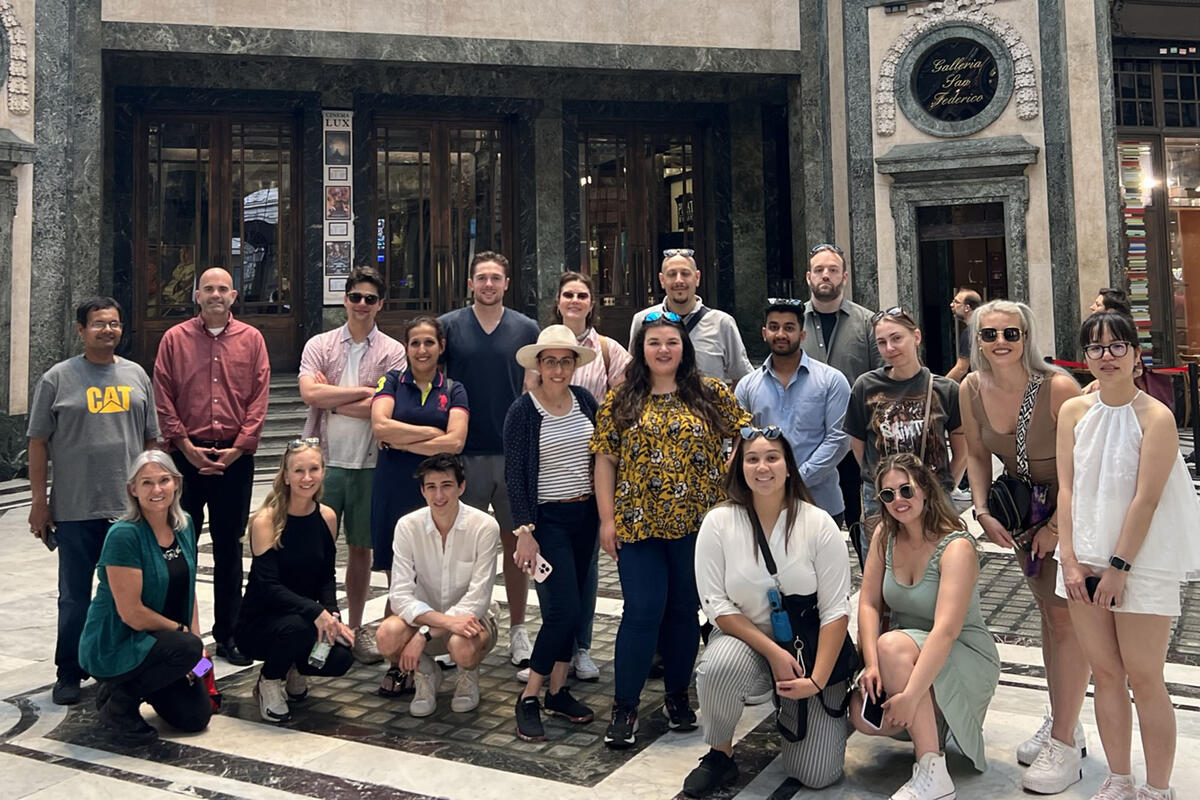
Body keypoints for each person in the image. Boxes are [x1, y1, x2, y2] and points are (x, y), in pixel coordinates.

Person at [1055, 311, 1200, 800]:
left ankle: (1157, 788)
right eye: (1096, 348)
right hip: (1083, 559)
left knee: (1145, 675)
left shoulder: (1155, 416)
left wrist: (1119, 569)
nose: (1107, 356)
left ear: (1137, 356)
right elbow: (1068, 490)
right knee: (1106, 673)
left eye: (1118, 346)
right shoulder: (1074, 412)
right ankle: (1118, 778)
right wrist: (1071, 559)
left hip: (1141, 561)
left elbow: (1147, 499)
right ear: (1085, 358)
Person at [591, 311, 751, 748]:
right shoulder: (622, 398)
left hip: (697, 526)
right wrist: (607, 519)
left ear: (685, 349)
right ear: (641, 350)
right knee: (642, 611)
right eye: (654, 342)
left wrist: (727, 478)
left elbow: (745, 435)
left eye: (672, 342)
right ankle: (625, 706)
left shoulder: (709, 392)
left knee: (684, 611)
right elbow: (604, 460)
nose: (663, 349)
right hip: (638, 524)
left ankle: (678, 697)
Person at [960, 299, 1088, 793]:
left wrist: (1057, 526)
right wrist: (983, 509)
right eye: (989, 335)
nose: (1000, 344)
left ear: (1026, 337)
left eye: (1010, 334)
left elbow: (1085, 467)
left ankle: (1065, 741)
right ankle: (1065, 719)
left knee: (1066, 620)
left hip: (1069, 511)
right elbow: (974, 450)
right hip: (1021, 511)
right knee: (1049, 616)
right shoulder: (972, 388)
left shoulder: (1057, 387)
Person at [686, 427, 852, 796]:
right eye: (752, 459)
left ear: (789, 466)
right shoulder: (719, 522)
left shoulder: (817, 524)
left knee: (817, 774)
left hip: (808, 649)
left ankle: (796, 710)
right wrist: (773, 652)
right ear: (740, 467)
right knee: (719, 666)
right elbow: (716, 604)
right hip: (745, 641)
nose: (763, 467)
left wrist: (817, 681)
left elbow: (836, 610)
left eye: (772, 457)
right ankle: (720, 753)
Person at [27, 297, 161, 705]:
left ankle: (119, 665)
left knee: (130, 594)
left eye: (115, 324)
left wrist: (155, 495)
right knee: (74, 596)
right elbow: (37, 443)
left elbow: (150, 440)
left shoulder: (137, 375)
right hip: (76, 508)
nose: (109, 330)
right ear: (81, 330)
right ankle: (69, 670)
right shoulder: (57, 379)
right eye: (99, 324)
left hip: (128, 511)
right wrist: (38, 502)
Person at [850, 453, 1000, 800]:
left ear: (926, 491)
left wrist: (910, 695)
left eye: (906, 490)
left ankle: (932, 769)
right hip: (906, 655)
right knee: (862, 715)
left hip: (963, 652)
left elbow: (946, 631)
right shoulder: (884, 538)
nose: (898, 500)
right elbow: (869, 602)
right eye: (888, 495)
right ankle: (933, 723)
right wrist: (871, 664)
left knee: (892, 646)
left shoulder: (956, 546)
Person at [153, 267, 270, 667]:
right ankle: (179, 634)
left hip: (235, 461)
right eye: (209, 289)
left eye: (223, 289)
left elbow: (259, 396)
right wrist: (185, 445)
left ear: (234, 296)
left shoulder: (252, 339)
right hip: (185, 460)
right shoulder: (174, 339)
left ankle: (229, 635)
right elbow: (163, 395)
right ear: (197, 295)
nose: (216, 294)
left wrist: (239, 448)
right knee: (177, 548)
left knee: (228, 549)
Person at [298, 267, 406, 663]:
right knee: (315, 550)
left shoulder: (393, 352)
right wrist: (363, 392)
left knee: (361, 550)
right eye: (355, 297)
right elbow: (309, 392)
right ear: (345, 299)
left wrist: (334, 397)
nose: (362, 305)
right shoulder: (320, 344)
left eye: (370, 299)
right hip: (322, 462)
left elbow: (386, 408)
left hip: (370, 462)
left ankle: (356, 628)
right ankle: (317, 626)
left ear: (380, 304)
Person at [438, 251, 539, 671]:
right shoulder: (449, 327)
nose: (489, 285)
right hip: (466, 455)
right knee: (463, 549)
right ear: (470, 284)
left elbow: (532, 385)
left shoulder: (525, 328)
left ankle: (518, 628)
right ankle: (458, 628)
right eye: (481, 278)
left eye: (496, 278)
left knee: (517, 546)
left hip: (511, 453)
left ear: (507, 283)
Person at [504, 325, 601, 741]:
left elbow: (602, 458)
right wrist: (525, 531)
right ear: (538, 366)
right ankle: (529, 696)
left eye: (566, 361)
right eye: (550, 361)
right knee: (561, 611)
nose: (558, 369)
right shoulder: (523, 412)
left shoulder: (585, 401)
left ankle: (558, 693)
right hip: (547, 522)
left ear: (574, 365)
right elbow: (515, 477)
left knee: (576, 609)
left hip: (586, 517)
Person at [78, 450, 212, 743]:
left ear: (176, 483)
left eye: (164, 480)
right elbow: (131, 613)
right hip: (118, 642)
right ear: (133, 489)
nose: (157, 490)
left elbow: (188, 590)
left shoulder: (184, 524)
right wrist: (184, 636)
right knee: (187, 646)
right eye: (147, 482)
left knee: (195, 718)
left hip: (163, 644)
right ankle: (119, 701)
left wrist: (198, 649)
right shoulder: (124, 535)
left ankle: (142, 683)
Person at [370, 316, 468, 695]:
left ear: (441, 346)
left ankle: (427, 652)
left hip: (437, 494)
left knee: (433, 573)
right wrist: (431, 435)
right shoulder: (392, 381)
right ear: (406, 347)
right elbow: (380, 426)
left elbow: (457, 441)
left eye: (430, 342)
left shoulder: (455, 389)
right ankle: (398, 665)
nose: (422, 350)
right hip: (394, 489)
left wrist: (403, 440)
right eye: (415, 343)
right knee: (400, 579)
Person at [235, 439, 356, 723]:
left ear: (324, 472)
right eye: (299, 470)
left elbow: (326, 575)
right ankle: (269, 680)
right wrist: (316, 612)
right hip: (261, 622)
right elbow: (268, 586)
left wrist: (332, 614)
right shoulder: (266, 520)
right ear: (286, 476)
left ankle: (293, 669)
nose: (307, 477)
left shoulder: (326, 516)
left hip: (302, 618)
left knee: (340, 657)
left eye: (314, 469)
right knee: (298, 629)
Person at [375, 454, 502, 718]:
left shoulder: (484, 526)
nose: (439, 495)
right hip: (427, 616)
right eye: (431, 487)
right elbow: (399, 596)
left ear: (461, 487)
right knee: (386, 635)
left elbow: (477, 600)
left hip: (470, 622)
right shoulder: (407, 526)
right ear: (422, 490)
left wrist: (424, 634)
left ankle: (467, 675)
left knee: (462, 645)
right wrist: (438, 624)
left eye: (446, 485)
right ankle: (425, 674)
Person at [552, 270, 631, 681]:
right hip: (551, 469)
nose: (575, 301)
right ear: (558, 300)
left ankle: (581, 647)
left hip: (592, 466)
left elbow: (626, 396)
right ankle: (553, 645)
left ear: (591, 302)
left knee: (585, 564)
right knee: (552, 565)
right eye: (568, 294)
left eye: (582, 294)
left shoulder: (607, 348)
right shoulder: (545, 343)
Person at [845, 307, 965, 542]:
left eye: (897, 338)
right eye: (882, 342)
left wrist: (944, 485)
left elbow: (963, 450)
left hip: (933, 496)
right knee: (883, 567)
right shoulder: (865, 387)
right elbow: (858, 445)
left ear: (916, 337)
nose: (889, 348)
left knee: (938, 565)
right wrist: (875, 479)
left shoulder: (945, 390)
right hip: (883, 498)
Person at [735, 298, 851, 523]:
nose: (781, 334)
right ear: (764, 332)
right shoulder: (746, 386)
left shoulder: (832, 381)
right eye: (774, 327)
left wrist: (796, 478)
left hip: (820, 503)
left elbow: (838, 441)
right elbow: (740, 441)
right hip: (763, 504)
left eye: (789, 328)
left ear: (802, 334)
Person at [801, 243, 883, 557]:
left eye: (833, 270)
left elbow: (881, 381)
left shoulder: (867, 323)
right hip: (808, 444)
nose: (826, 275)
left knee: (861, 522)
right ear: (809, 277)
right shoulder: (793, 324)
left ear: (844, 277)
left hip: (855, 444)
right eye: (819, 270)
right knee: (807, 529)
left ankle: (872, 596)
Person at [628, 249, 752, 385]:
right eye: (672, 274)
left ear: (697, 278)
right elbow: (634, 374)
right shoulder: (643, 321)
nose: (679, 280)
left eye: (685, 274)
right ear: (662, 280)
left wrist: (724, 404)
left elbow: (743, 378)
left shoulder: (722, 323)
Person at [946, 289, 981, 383]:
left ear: (967, 308)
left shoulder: (970, 332)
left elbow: (961, 368)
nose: (951, 305)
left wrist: (941, 387)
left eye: (956, 302)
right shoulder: (982, 327)